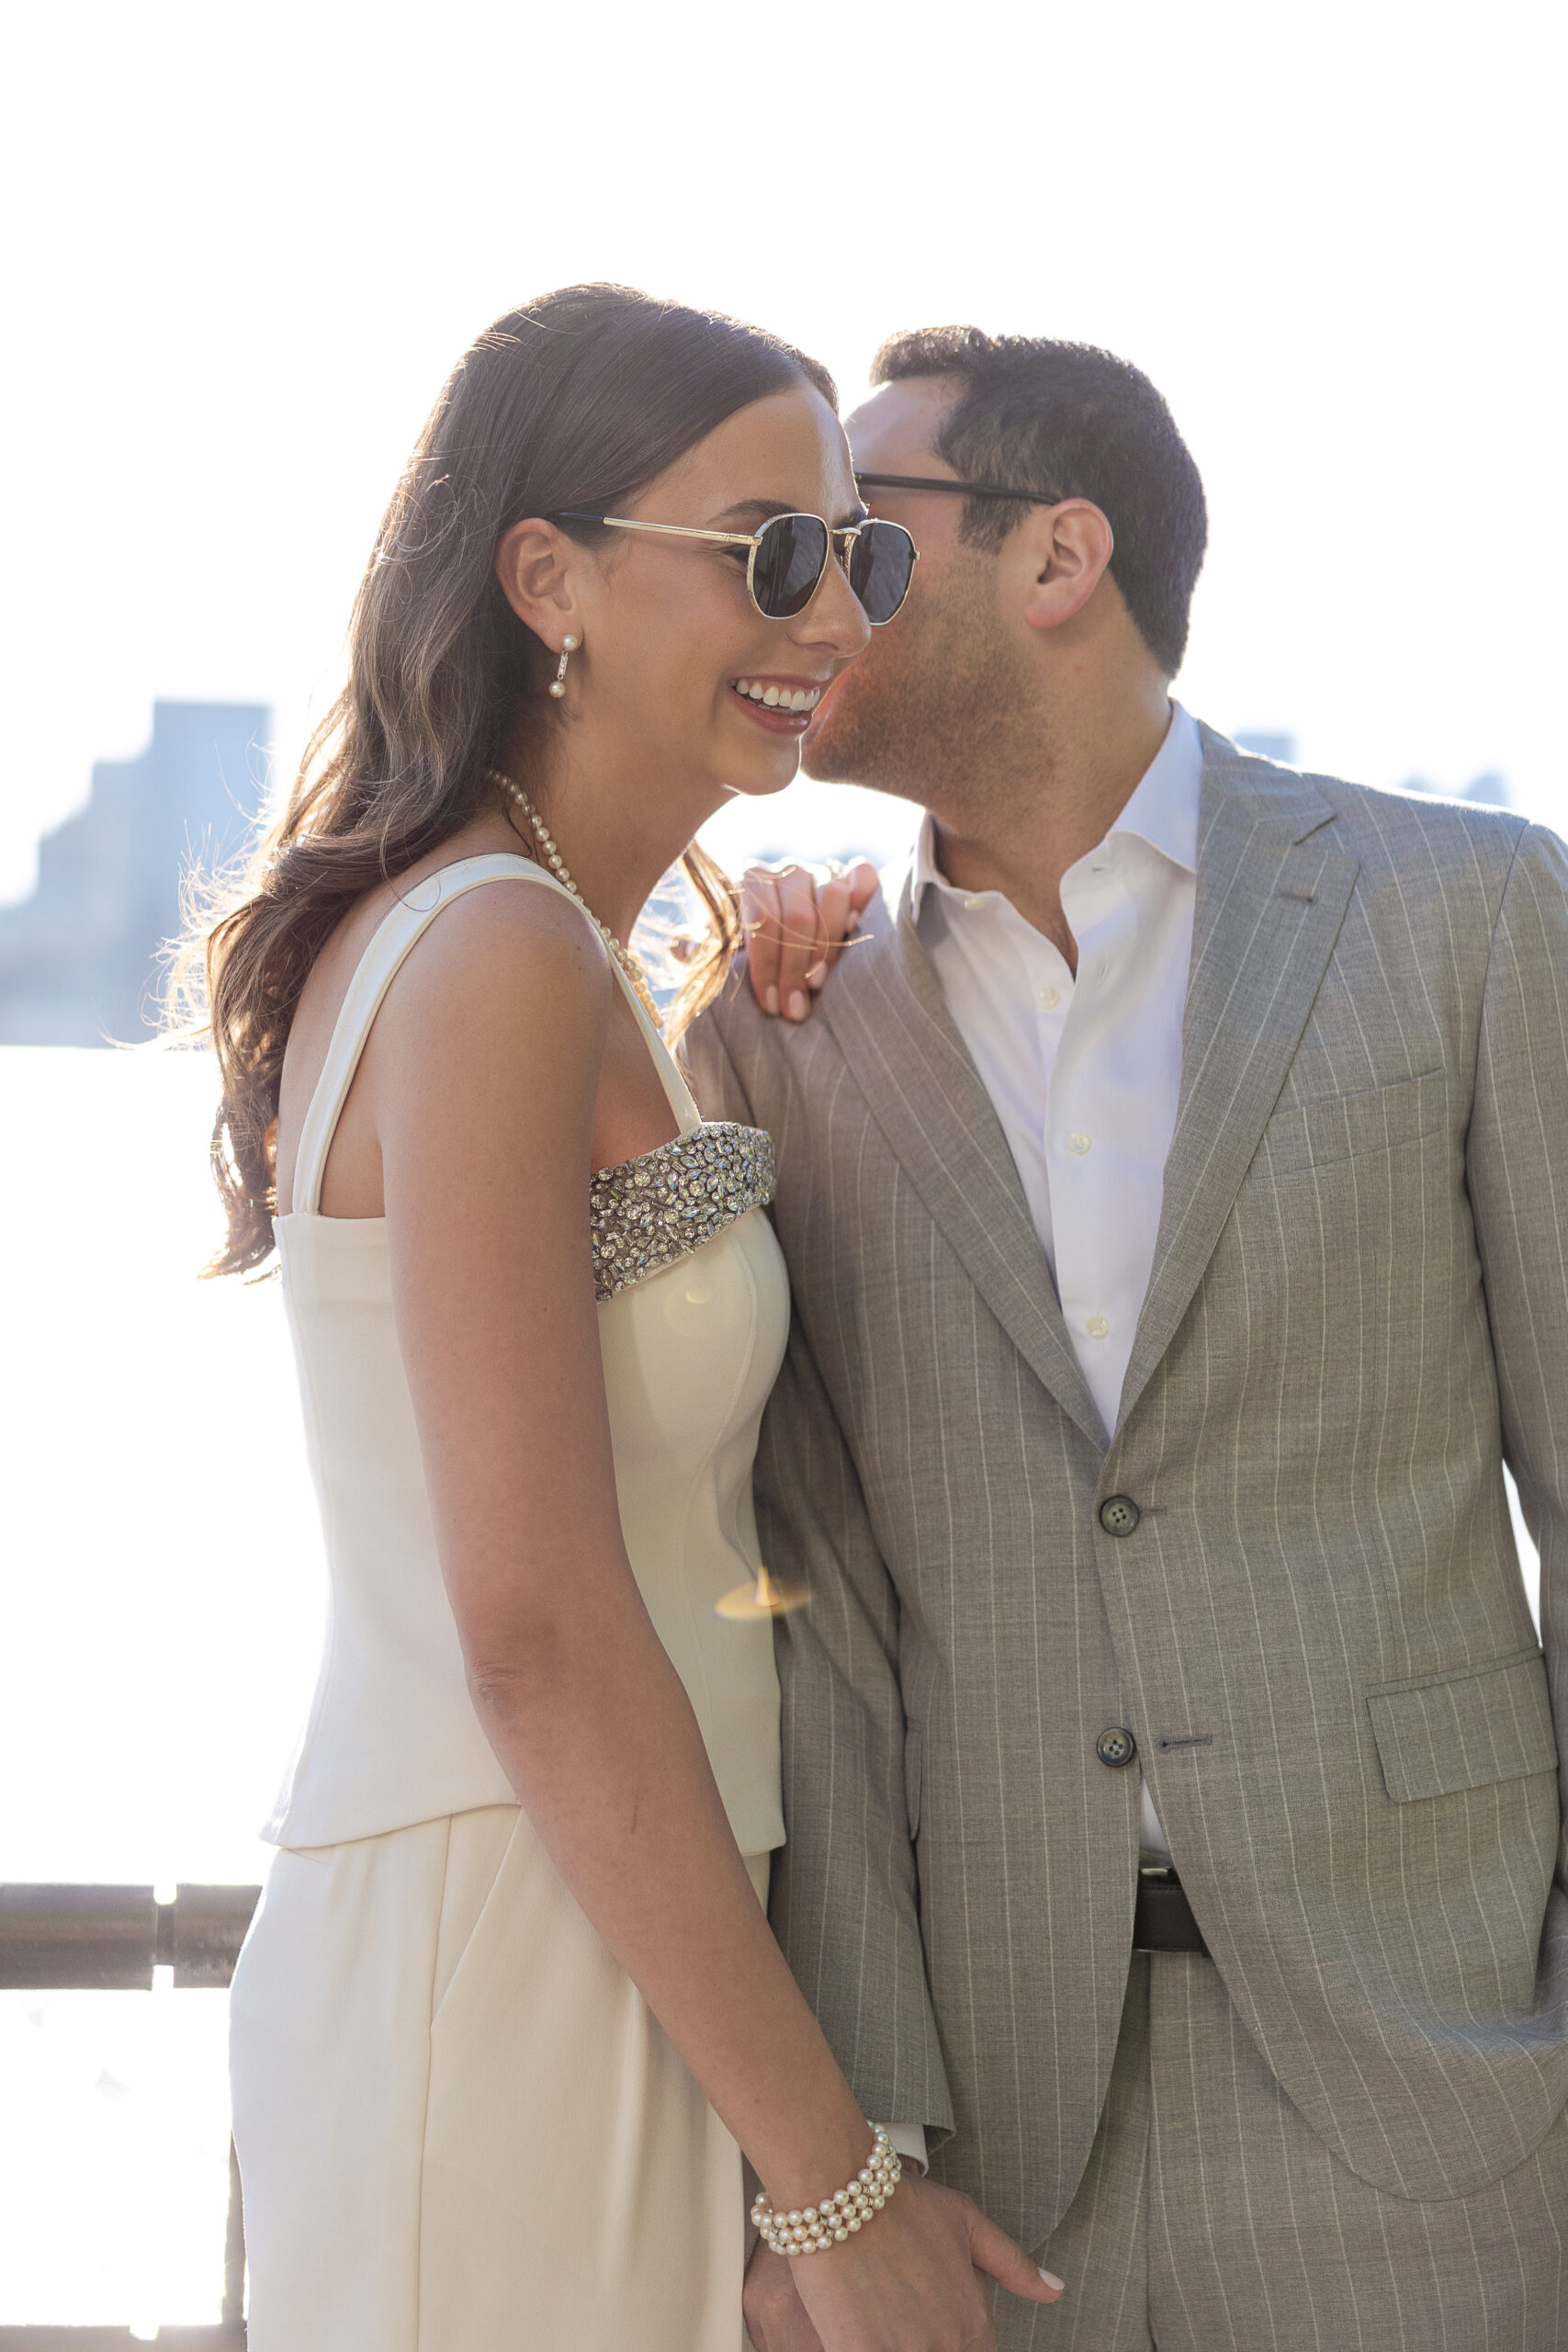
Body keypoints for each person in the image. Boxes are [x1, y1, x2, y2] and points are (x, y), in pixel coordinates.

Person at [196, 288, 1063, 2352]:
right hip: (504, 1956)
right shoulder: (488, 949)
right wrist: (833, 2175)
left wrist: (803, 973)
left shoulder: (569, 951)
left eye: (855, 551)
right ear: (544, 578)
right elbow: (537, 1626)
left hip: (630, 1939)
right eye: (769, 550)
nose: (834, 613)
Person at [691, 326, 1568, 2350]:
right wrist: (861, 2143)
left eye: (855, 538)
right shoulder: (779, 1018)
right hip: (994, 2149)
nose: (806, 596)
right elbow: (797, 1610)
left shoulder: (1470, 917)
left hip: (1437, 2090)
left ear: (1056, 556)